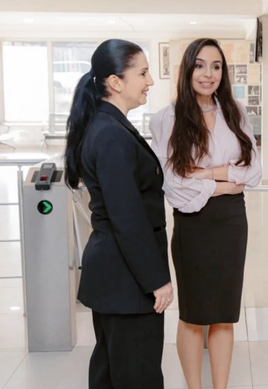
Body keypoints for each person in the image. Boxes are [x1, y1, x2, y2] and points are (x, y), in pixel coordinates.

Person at [149, 38, 262, 389]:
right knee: (194, 314)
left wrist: (205, 174)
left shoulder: (235, 111)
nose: (208, 74)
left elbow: (254, 171)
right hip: (193, 225)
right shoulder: (167, 118)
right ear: (187, 70)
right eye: (199, 65)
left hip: (232, 222)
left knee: (225, 313)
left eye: (216, 66)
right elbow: (174, 185)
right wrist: (225, 182)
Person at [64, 39, 173, 389]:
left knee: (112, 373)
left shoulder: (107, 124)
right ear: (115, 82)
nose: (150, 81)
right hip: (126, 279)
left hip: (116, 275)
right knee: (136, 376)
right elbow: (127, 218)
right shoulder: (111, 133)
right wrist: (156, 280)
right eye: (142, 73)